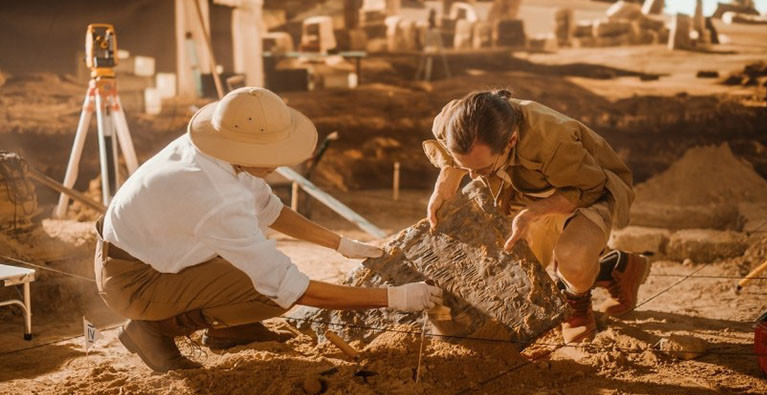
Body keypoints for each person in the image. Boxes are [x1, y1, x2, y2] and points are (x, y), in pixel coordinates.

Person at [94, 87, 443, 372]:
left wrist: (340, 244)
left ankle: (230, 330)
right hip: (134, 280)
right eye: (271, 153)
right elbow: (291, 288)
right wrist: (394, 298)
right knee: (270, 292)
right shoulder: (217, 195)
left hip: (143, 253)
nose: (277, 164)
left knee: (258, 271)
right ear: (242, 148)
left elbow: (269, 209)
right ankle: (152, 330)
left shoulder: (217, 151)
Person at [423, 89, 650, 344]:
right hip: (526, 188)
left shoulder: (553, 140)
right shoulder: (454, 121)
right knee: (516, 274)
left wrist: (531, 215)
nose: (474, 176)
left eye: (483, 168)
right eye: (468, 168)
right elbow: (452, 153)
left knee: (572, 256)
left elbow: (589, 189)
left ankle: (576, 303)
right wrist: (444, 182)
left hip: (586, 187)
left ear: (511, 140)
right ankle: (618, 269)